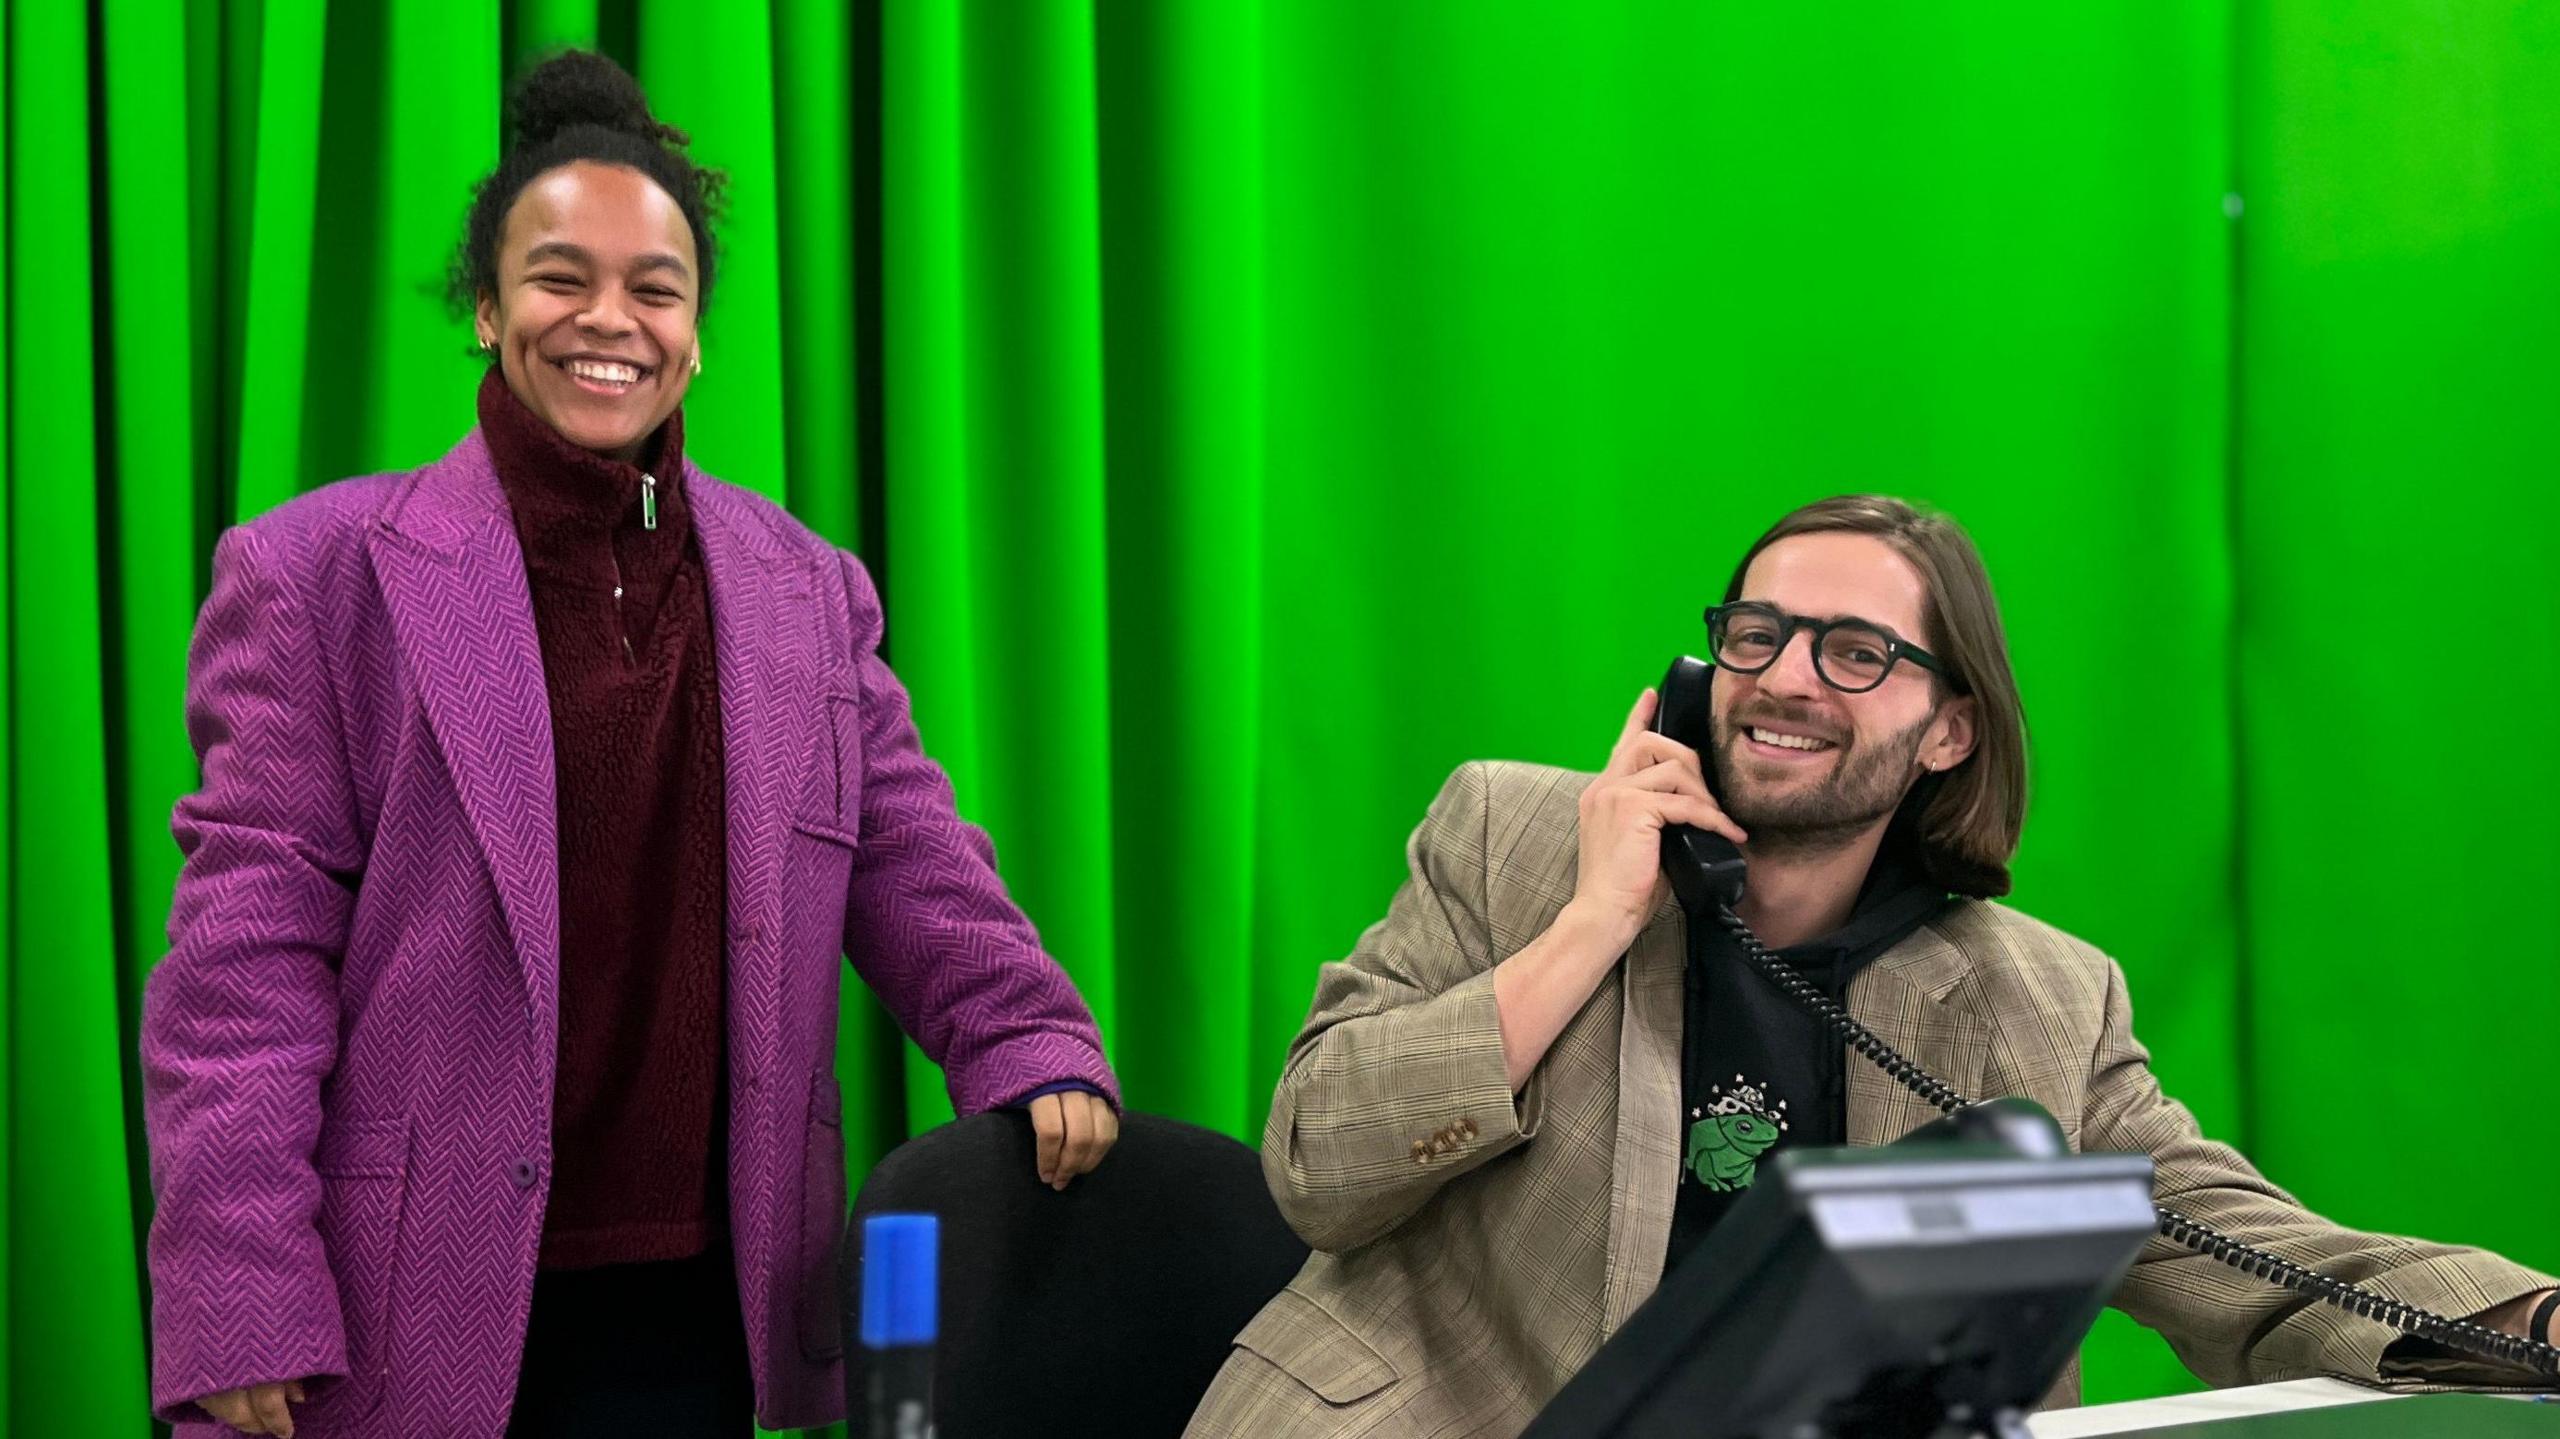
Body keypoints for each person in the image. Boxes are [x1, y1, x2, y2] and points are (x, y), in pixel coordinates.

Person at [140, 51, 1118, 1439]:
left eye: (654, 289)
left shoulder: (805, 588)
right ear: (486, 309)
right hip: (409, 1305)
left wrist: (1027, 1035)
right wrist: (240, 1283)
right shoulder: (315, 575)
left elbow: (912, 858)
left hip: (707, 1303)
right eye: (557, 277)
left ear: (699, 333)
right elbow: (242, 969)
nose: (610, 319)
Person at [1186, 494, 2558, 1437]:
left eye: (1856, 655)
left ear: (1950, 731)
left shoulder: (2034, 999)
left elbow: (2249, 1251)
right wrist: (1590, 928)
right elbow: (1319, 1164)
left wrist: (2526, 1320)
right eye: (1756, 634)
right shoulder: (1511, 838)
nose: (1785, 677)